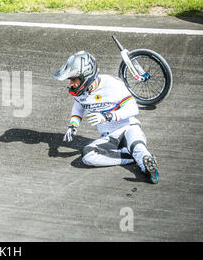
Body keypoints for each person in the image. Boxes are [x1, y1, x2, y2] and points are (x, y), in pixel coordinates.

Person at [52, 51, 159, 184]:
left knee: (138, 147)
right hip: (109, 137)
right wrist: (73, 125)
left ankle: (146, 163)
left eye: (74, 79)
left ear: (86, 76)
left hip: (129, 129)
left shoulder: (113, 84)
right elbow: (79, 106)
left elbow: (133, 108)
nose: (71, 83)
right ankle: (134, 158)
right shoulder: (79, 91)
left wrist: (107, 117)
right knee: (88, 155)